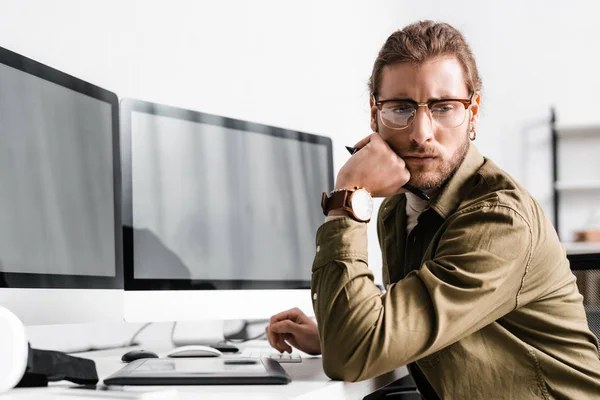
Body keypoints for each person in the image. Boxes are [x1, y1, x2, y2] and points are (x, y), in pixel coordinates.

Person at [265, 20, 600, 399]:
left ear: (472, 114)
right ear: (374, 115)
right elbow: (398, 330)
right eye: (401, 108)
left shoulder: (500, 220)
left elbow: (354, 354)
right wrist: (333, 333)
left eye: (443, 107)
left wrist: (349, 195)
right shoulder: (396, 209)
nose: (421, 132)